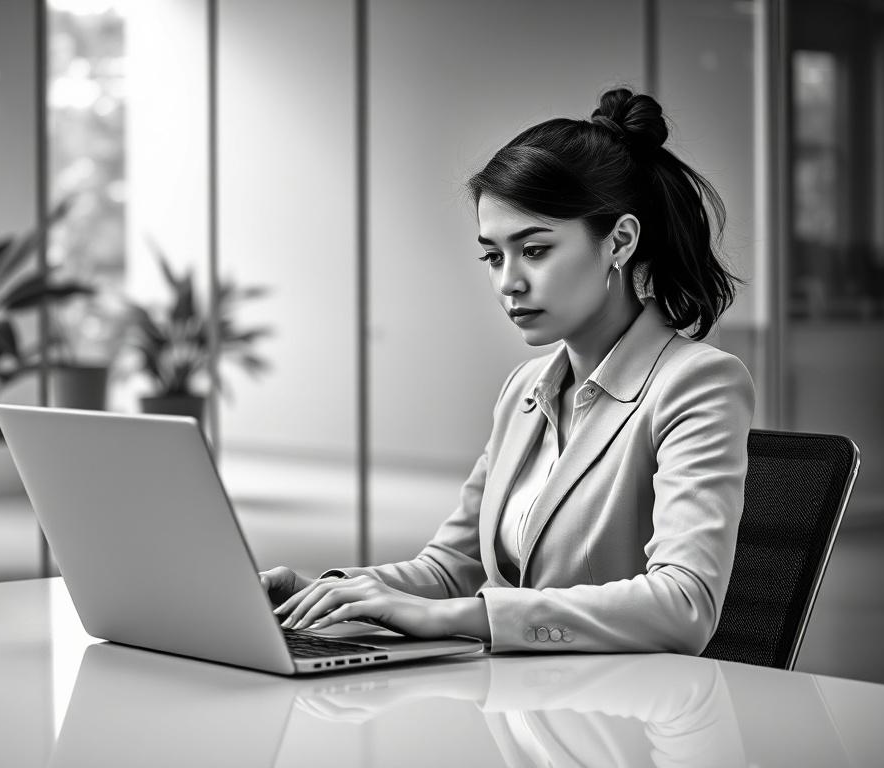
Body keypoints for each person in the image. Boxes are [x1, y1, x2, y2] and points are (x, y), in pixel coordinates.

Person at [261, 86, 755, 655]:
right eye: (493, 256)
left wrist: (470, 619)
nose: (508, 282)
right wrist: (327, 593)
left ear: (620, 241)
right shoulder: (525, 390)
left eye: (536, 250)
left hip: (621, 721)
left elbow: (684, 606)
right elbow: (452, 569)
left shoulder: (698, 383)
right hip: (512, 711)